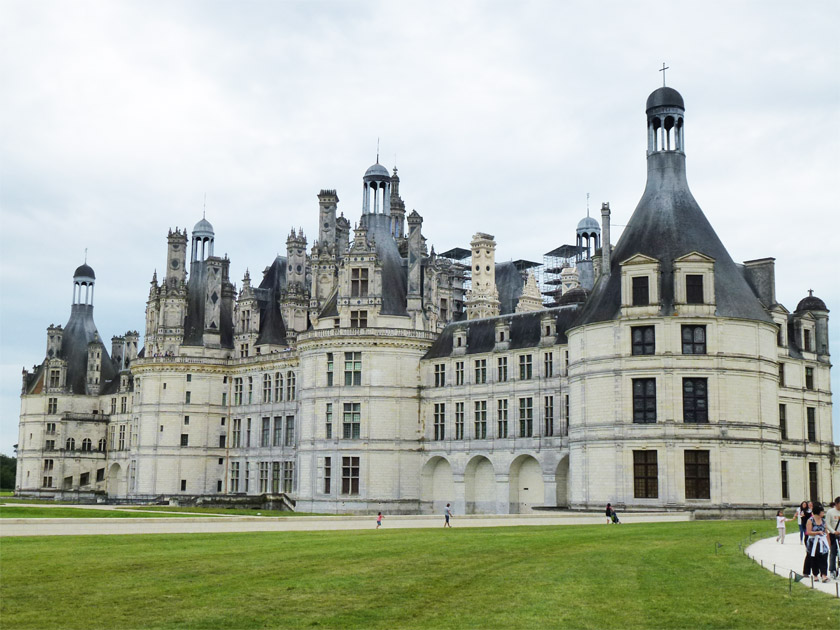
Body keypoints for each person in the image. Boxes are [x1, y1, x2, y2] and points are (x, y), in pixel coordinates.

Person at [803, 502, 831, 583]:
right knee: (814, 558)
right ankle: (815, 574)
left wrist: (828, 542)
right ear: (818, 512)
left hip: (822, 542)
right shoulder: (810, 520)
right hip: (813, 542)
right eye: (822, 512)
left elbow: (826, 531)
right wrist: (817, 533)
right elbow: (808, 532)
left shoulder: (823, 520)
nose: (823, 513)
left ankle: (824, 575)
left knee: (824, 557)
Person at [826, 497, 840, 579]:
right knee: (833, 552)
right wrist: (833, 532)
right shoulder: (830, 512)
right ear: (837, 503)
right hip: (833, 535)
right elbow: (827, 524)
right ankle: (832, 569)